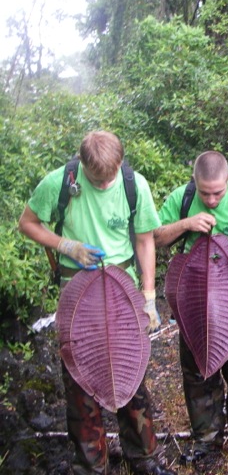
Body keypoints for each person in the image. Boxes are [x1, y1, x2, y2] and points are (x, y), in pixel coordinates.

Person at [18, 131, 175, 475]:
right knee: (80, 380)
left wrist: (149, 297)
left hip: (122, 290)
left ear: (120, 163)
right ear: (83, 165)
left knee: (130, 375)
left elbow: (146, 240)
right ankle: (91, 465)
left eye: (109, 177)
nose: (104, 184)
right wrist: (65, 245)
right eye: (96, 179)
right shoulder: (61, 182)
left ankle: (144, 458)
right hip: (77, 292)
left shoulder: (135, 185)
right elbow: (27, 223)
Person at [154, 151, 228, 469]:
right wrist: (187, 223)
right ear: (195, 182)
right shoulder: (183, 197)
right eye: (205, 192)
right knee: (198, 374)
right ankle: (206, 440)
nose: (211, 198)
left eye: (217, 192)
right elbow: (156, 236)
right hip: (193, 300)